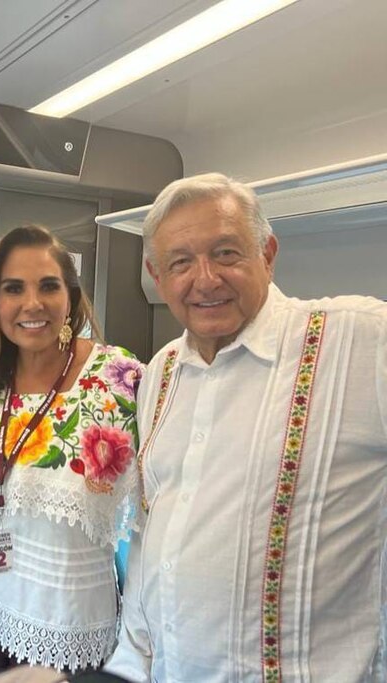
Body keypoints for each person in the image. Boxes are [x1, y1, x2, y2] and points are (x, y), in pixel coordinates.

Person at [100, 173, 387, 681]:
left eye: (227, 253)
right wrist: (131, 662)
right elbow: (154, 527)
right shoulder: (161, 370)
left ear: (268, 254)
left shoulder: (360, 339)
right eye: (181, 262)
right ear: (157, 275)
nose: (205, 279)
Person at [0, 225, 143, 681]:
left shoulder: (119, 378)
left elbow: (157, 507)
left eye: (48, 286)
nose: (32, 304)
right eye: (13, 289)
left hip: (65, 623)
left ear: (70, 296)